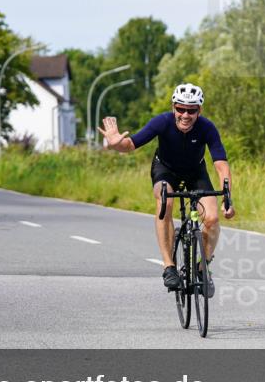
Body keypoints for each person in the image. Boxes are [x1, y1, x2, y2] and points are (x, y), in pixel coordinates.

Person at [99, 83, 235, 295]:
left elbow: (220, 163)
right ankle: (169, 267)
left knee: (212, 219)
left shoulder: (207, 127)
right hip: (165, 170)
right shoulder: (161, 122)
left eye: (191, 110)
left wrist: (227, 197)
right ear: (173, 107)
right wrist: (116, 143)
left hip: (195, 172)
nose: (185, 115)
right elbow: (130, 145)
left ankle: (202, 269)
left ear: (200, 110)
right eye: (180, 109)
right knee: (166, 202)